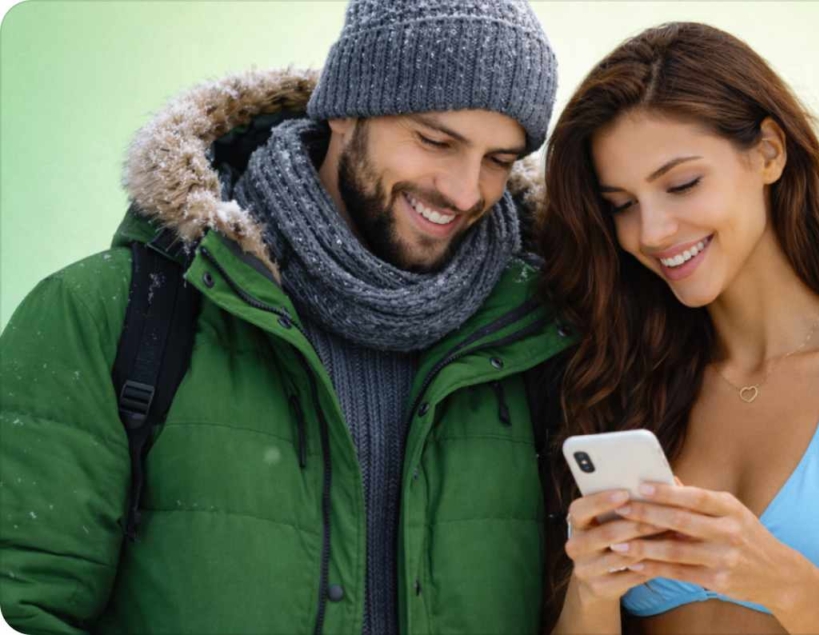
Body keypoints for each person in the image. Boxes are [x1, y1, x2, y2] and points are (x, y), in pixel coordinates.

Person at [0, 1, 570, 633]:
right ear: (346, 110)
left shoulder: (542, 335)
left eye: (499, 159)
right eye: (435, 140)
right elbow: (25, 611)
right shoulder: (105, 316)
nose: (466, 192)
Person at [539, 22, 819, 634]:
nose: (651, 232)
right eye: (622, 204)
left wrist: (780, 580)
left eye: (681, 184)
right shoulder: (622, 383)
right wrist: (593, 591)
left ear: (769, 152)